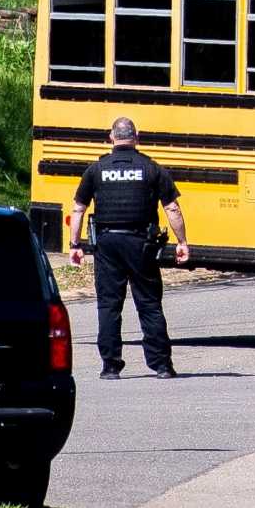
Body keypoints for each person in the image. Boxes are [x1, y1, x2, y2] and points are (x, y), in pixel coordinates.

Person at [66, 117, 188, 379]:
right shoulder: (151, 168)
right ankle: (162, 365)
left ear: (111, 137)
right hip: (141, 243)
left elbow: (78, 209)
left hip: (107, 244)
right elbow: (172, 208)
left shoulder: (96, 170)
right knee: (149, 304)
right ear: (137, 137)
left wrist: (75, 245)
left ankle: (110, 366)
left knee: (109, 305)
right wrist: (182, 242)